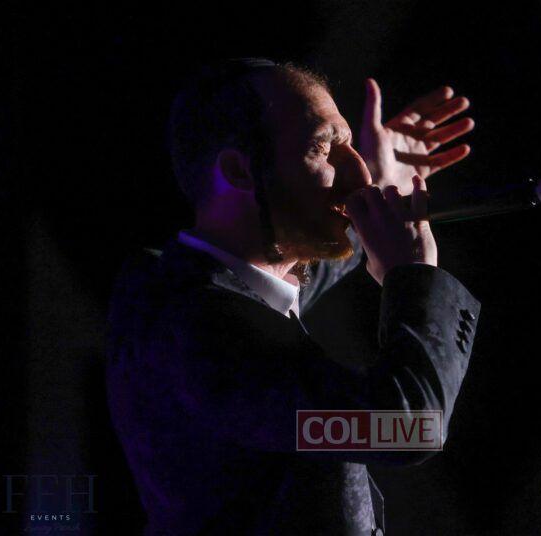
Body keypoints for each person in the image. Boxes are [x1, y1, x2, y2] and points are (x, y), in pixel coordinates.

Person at [106, 58, 479, 535]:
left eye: (350, 145)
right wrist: (412, 275)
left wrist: (381, 189)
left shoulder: (176, 284)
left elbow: (288, 276)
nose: (360, 175)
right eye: (323, 148)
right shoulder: (200, 330)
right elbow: (407, 429)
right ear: (239, 171)